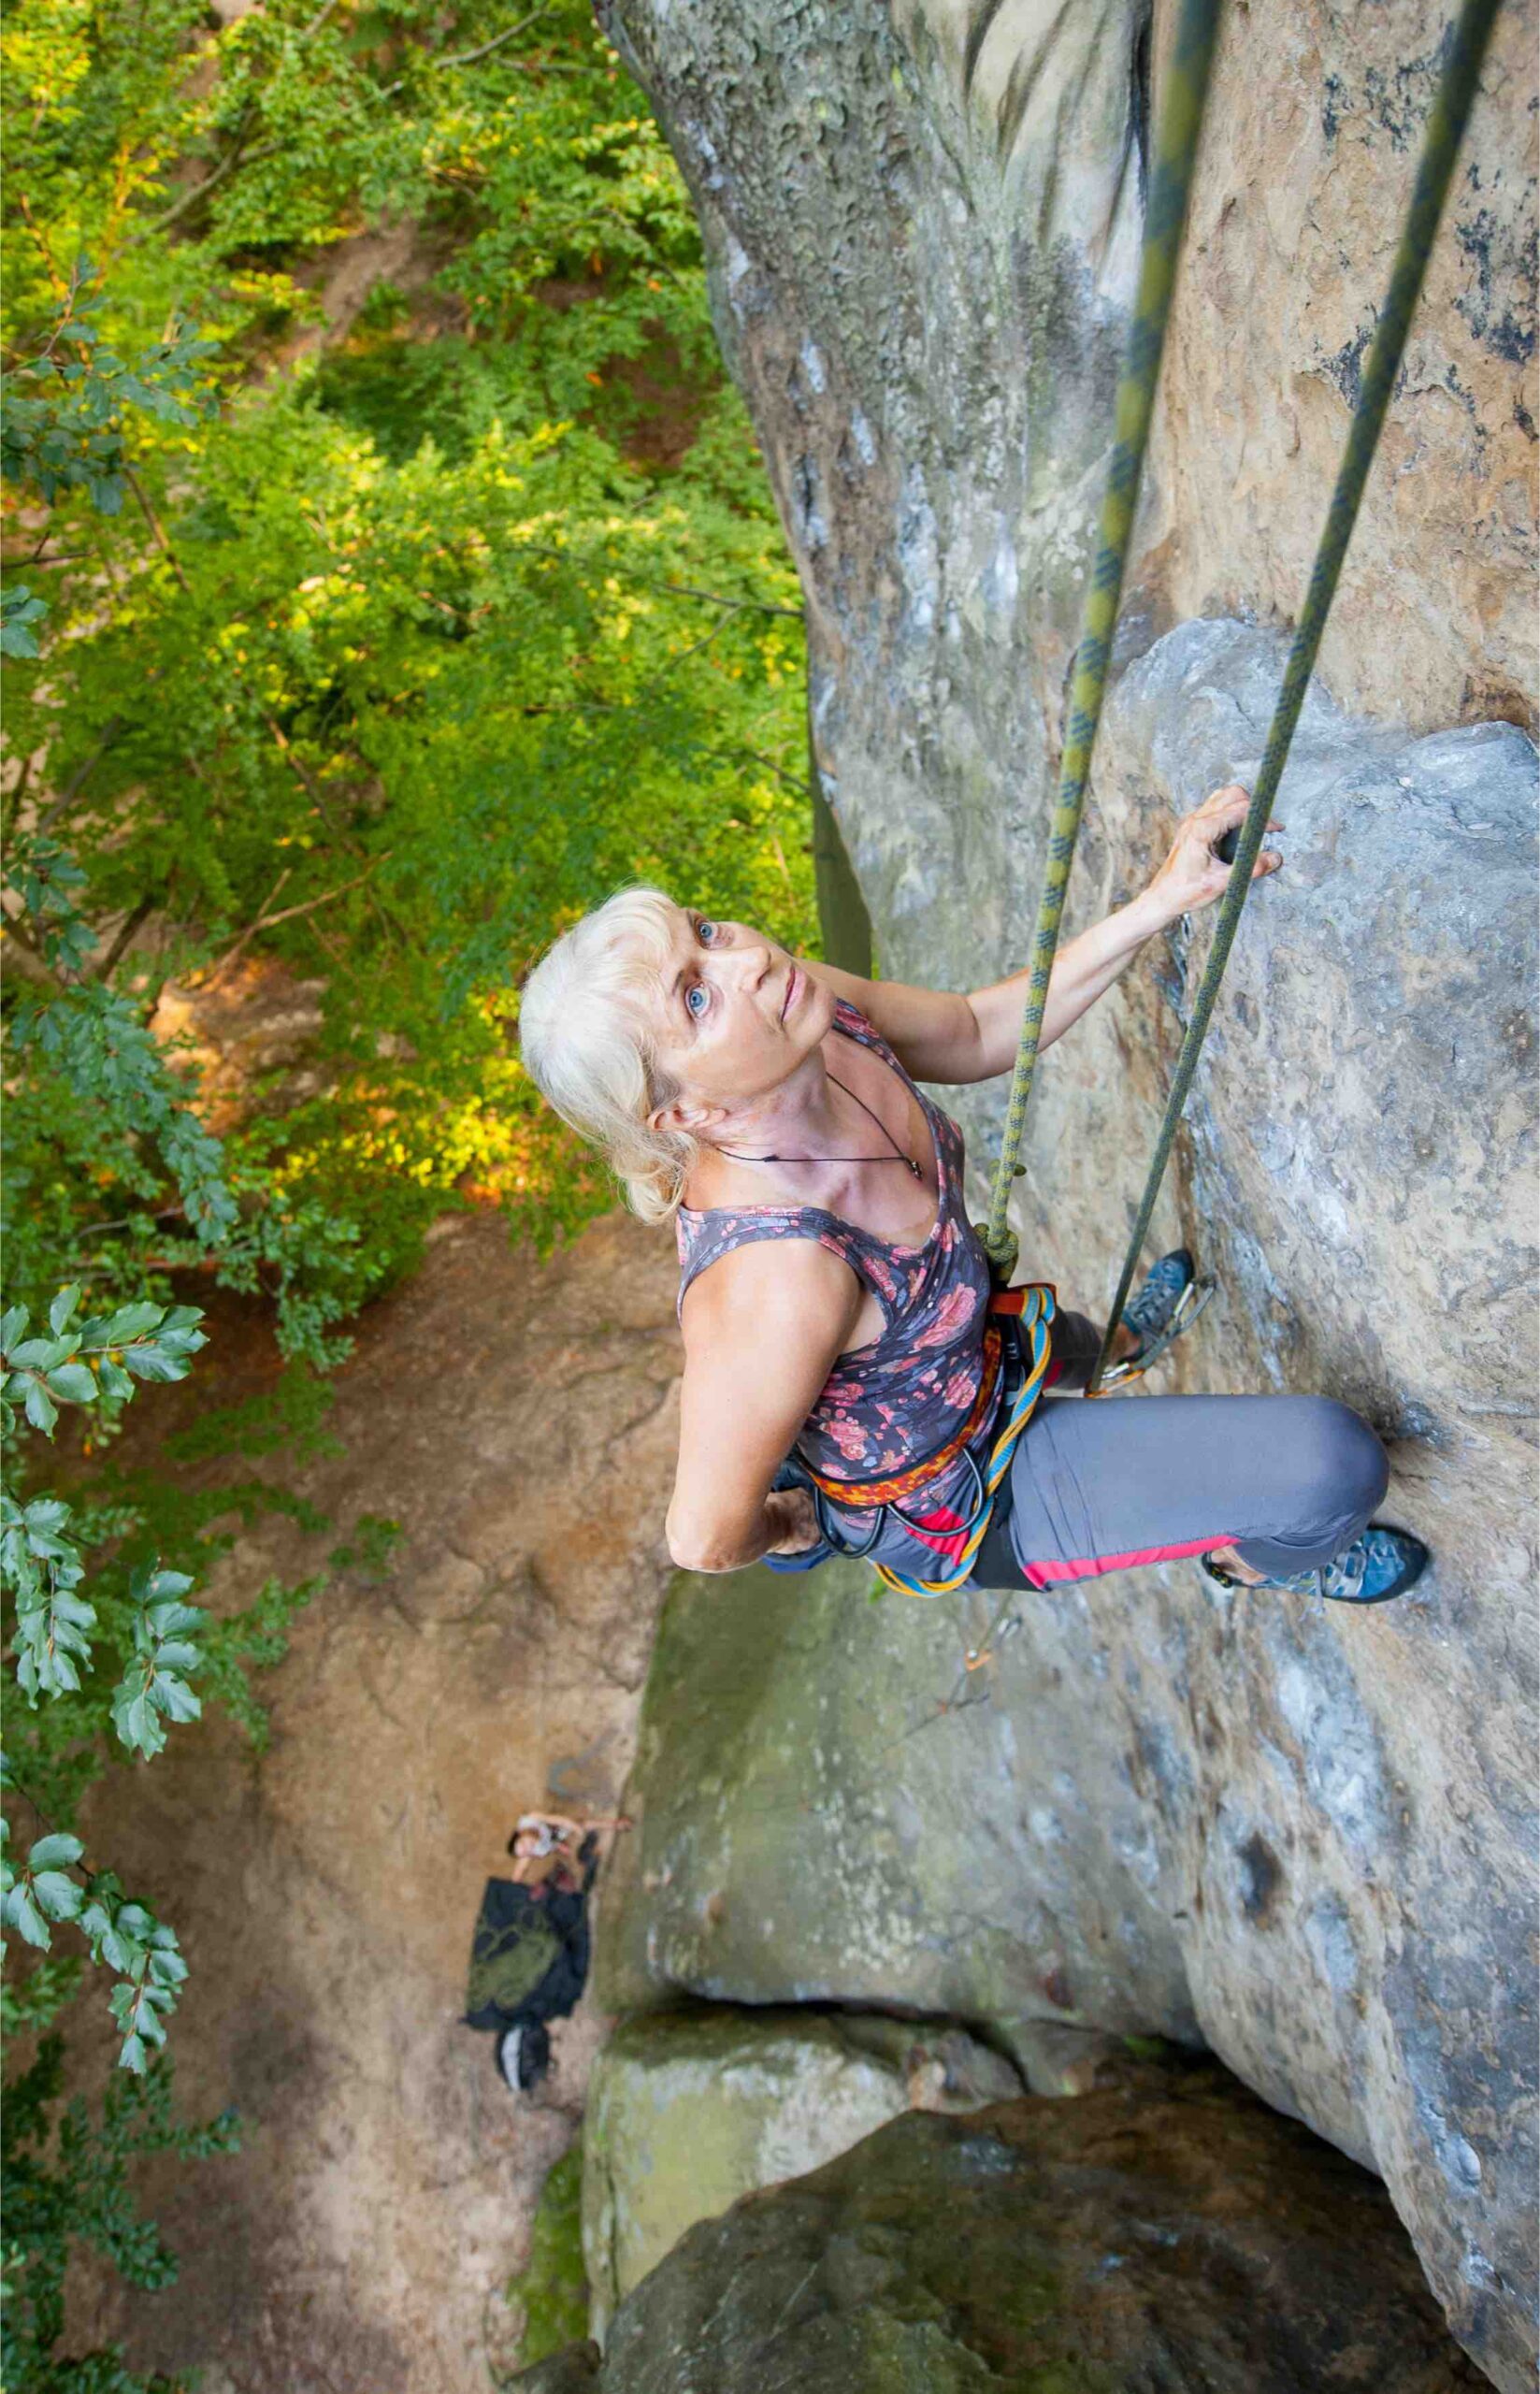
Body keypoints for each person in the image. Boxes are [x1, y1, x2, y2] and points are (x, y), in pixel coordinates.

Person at [517, 784, 1427, 1608]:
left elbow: (976, 1026)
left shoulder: (807, 1014)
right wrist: (814, 1526)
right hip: (968, 1482)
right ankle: (1264, 1559)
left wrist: (1163, 898)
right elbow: (703, 1534)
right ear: (682, 1109)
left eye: (705, 931)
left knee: (1081, 1342)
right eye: (696, 999)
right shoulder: (777, 1281)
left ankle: (1125, 1346)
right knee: (1334, 1466)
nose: (744, 960)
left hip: (971, 1326)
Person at [463, 1813, 626, 2092]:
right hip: (542, 1917)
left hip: (539, 1919)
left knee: (555, 1929)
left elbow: (509, 1946)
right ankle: (577, 1873)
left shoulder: (533, 1999)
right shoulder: (494, 2008)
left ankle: (574, 1875)